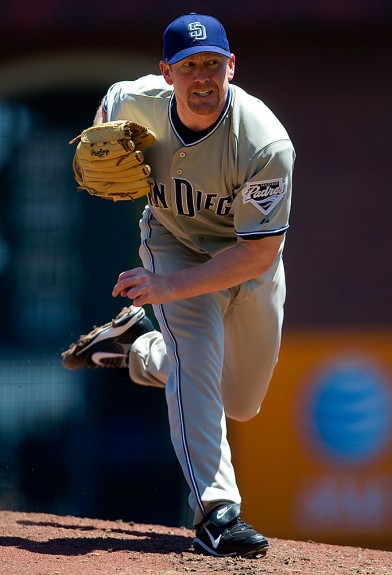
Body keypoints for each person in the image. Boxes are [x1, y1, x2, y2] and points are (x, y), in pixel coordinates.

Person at [62, 13, 295, 558]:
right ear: (167, 72)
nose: (202, 77)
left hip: (247, 265)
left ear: (231, 68)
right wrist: (97, 150)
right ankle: (218, 514)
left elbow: (258, 253)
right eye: (189, 65)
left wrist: (168, 291)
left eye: (213, 63)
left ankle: (137, 349)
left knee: (242, 401)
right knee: (196, 359)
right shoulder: (135, 102)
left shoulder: (266, 143)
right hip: (172, 244)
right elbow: (109, 107)